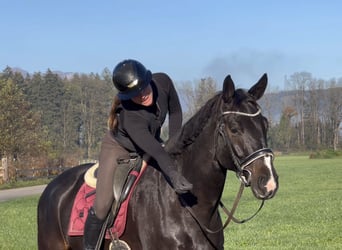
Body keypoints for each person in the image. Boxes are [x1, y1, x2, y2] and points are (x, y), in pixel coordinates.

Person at [83, 59, 193, 249]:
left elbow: (175, 112)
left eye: (144, 88)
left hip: (151, 142)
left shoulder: (164, 82)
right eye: (135, 94)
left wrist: (175, 146)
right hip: (119, 148)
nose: (142, 95)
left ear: (149, 78)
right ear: (126, 97)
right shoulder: (131, 116)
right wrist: (173, 175)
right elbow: (157, 151)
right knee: (101, 207)